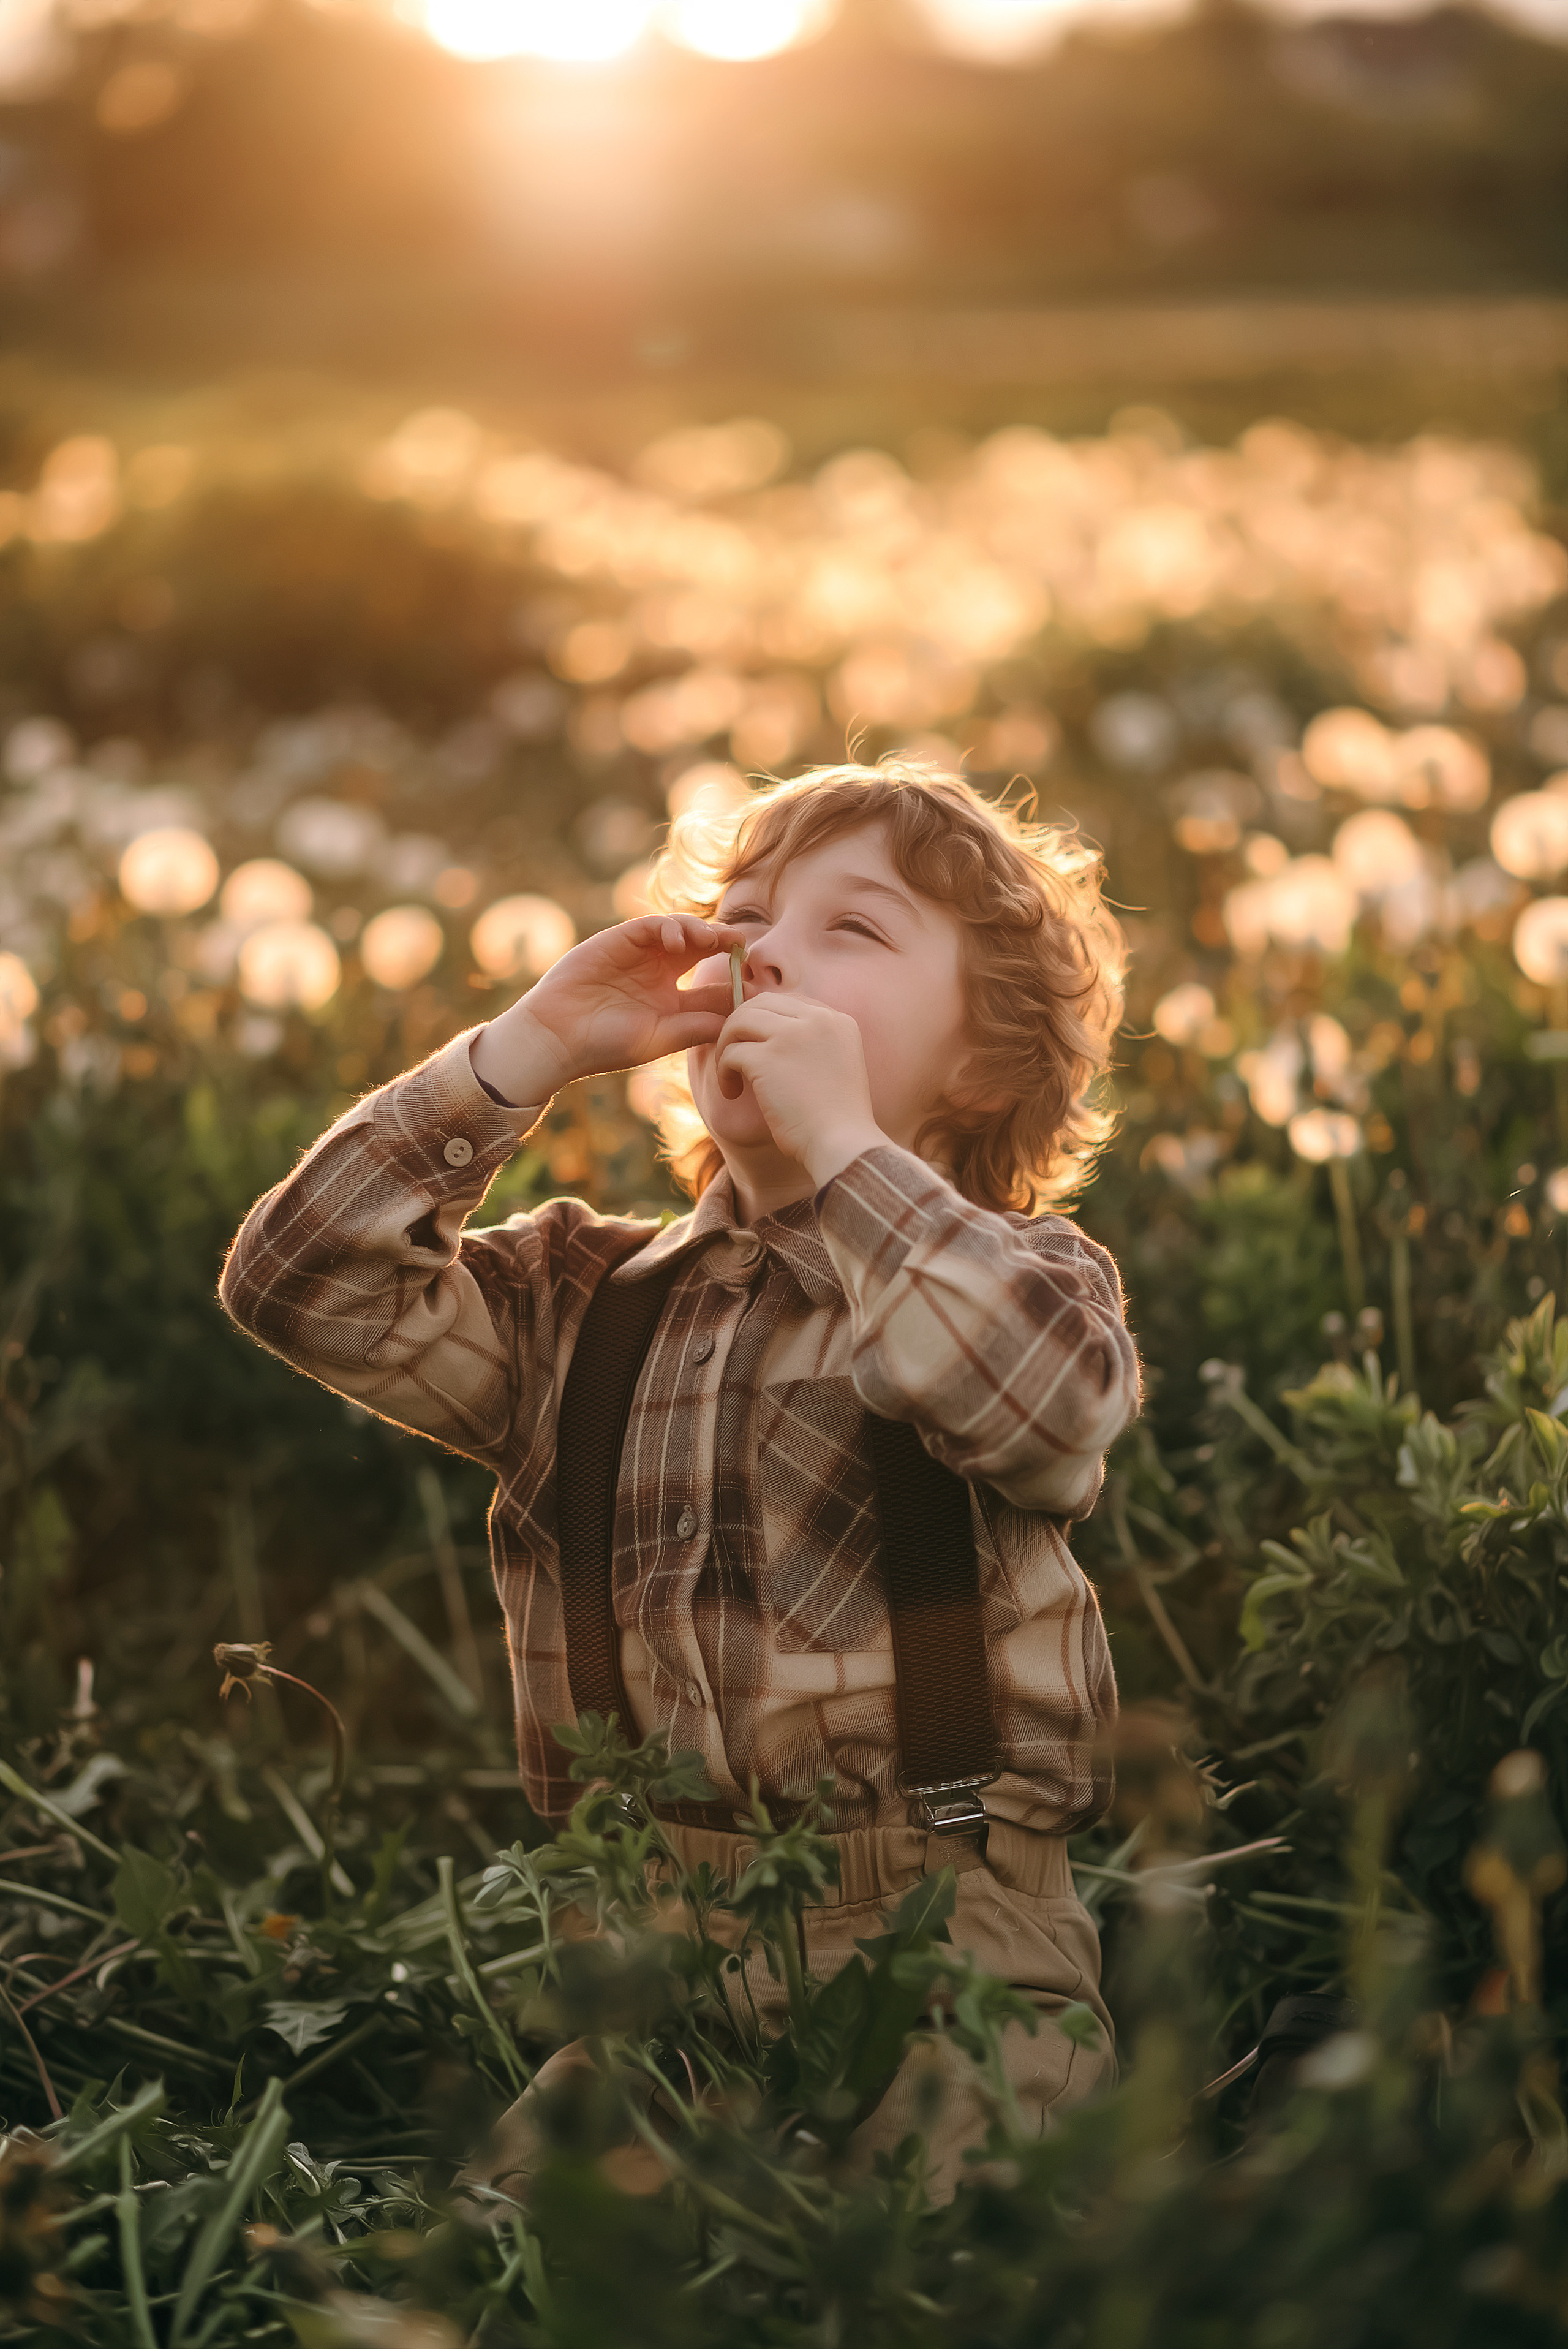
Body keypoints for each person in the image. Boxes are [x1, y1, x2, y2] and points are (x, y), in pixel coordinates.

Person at [219, 757, 1142, 2200]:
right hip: (647, 1970)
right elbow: (297, 1284)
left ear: (981, 1058)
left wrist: (843, 1149)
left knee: (967, 2258)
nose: (763, 948)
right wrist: (523, 1047)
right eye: (745, 915)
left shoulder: (1024, 1276)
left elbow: (1042, 1402)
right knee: (526, 2269)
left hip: (955, 1947)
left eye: (856, 929)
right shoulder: (576, 1302)